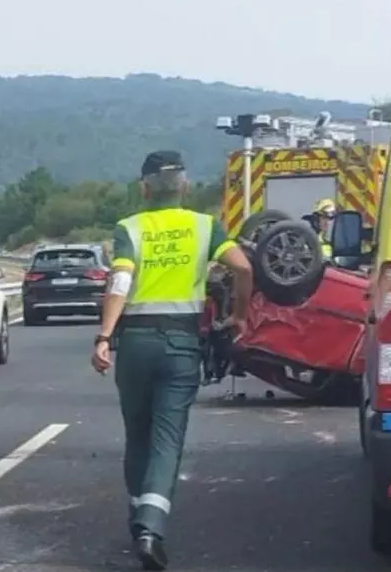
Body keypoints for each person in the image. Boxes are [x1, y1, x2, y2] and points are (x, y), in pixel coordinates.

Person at [90, 150, 253, 570]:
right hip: (181, 343)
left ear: (144, 189)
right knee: (167, 439)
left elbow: (120, 281)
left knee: (138, 434)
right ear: (185, 186)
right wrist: (239, 315)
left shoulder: (130, 228)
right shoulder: (205, 227)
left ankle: (137, 518)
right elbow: (242, 268)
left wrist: (105, 336)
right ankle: (150, 527)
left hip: (135, 343)